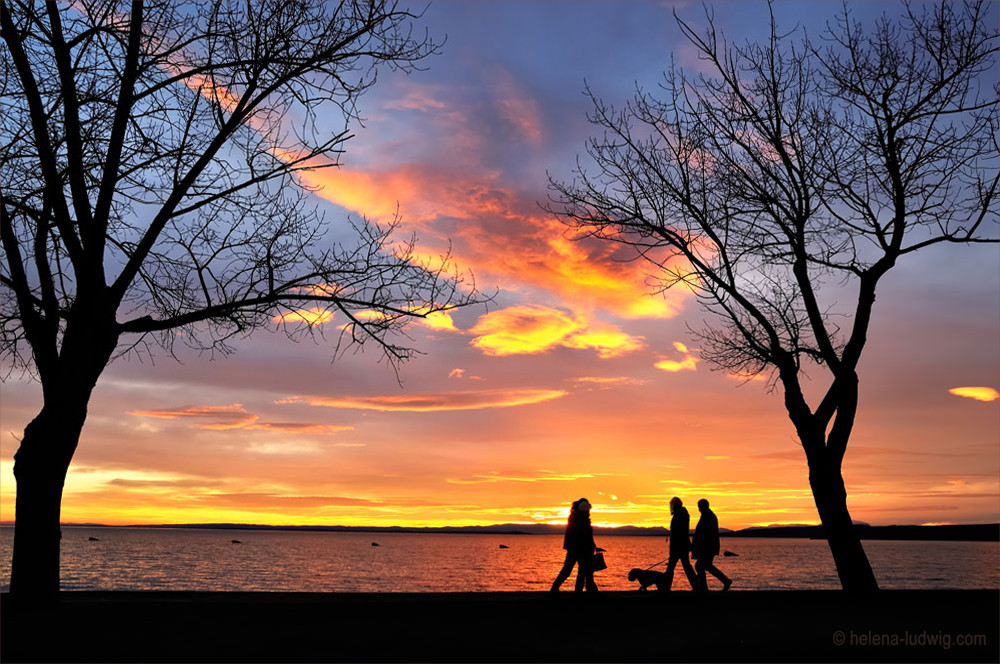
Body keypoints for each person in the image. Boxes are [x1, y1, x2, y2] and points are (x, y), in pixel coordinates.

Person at [550, 498, 602, 592]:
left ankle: (556, 588)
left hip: (574, 548)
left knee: (569, 570)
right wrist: (590, 546)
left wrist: (593, 545)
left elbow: (585, 535)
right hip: (581, 549)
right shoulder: (581, 519)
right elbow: (585, 535)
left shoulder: (574, 517)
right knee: (580, 571)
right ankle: (577, 591)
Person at [692, 498, 733, 592]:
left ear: (704, 506)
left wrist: (698, 545)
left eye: (700, 507)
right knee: (705, 566)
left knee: (700, 566)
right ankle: (724, 581)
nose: (699, 509)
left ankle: (704, 587)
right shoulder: (707, 515)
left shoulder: (708, 516)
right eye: (698, 507)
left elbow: (705, 534)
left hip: (708, 547)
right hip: (708, 547)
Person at [664, 496, 698, 590]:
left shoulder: (680, 515)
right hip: (682, 545)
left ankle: (666, 587)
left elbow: (679, 532)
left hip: (679, 545)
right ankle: (696, 586)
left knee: (671, 567)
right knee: (685, 567)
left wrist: (675, 544)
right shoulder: (683, 514)